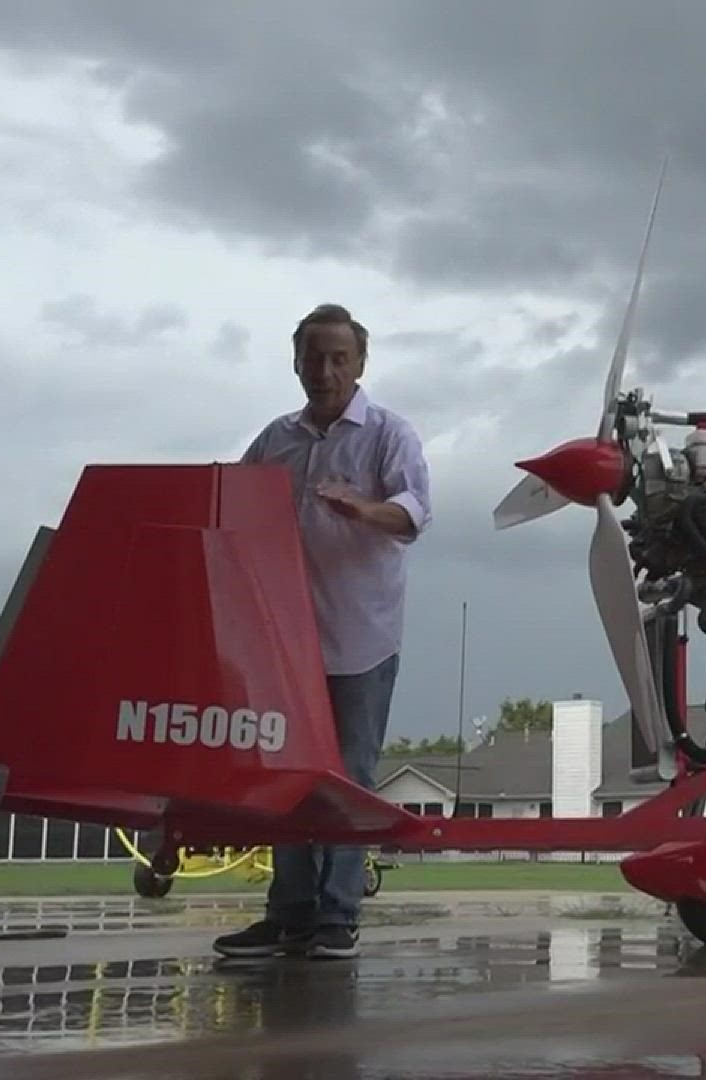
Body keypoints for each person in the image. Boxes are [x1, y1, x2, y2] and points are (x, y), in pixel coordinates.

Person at [213, 303, 432, 961]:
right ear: (297, 362)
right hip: (282, 640)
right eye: (314, 357)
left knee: (348, 777)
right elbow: (232, 504)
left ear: (360, 364)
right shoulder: (276, 438)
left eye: (339, 358)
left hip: (359, 638)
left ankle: (337, 917)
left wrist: (363, 508)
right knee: (286, 774)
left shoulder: (390, 433)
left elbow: (416, 511)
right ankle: (289, 916)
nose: (326, 370)